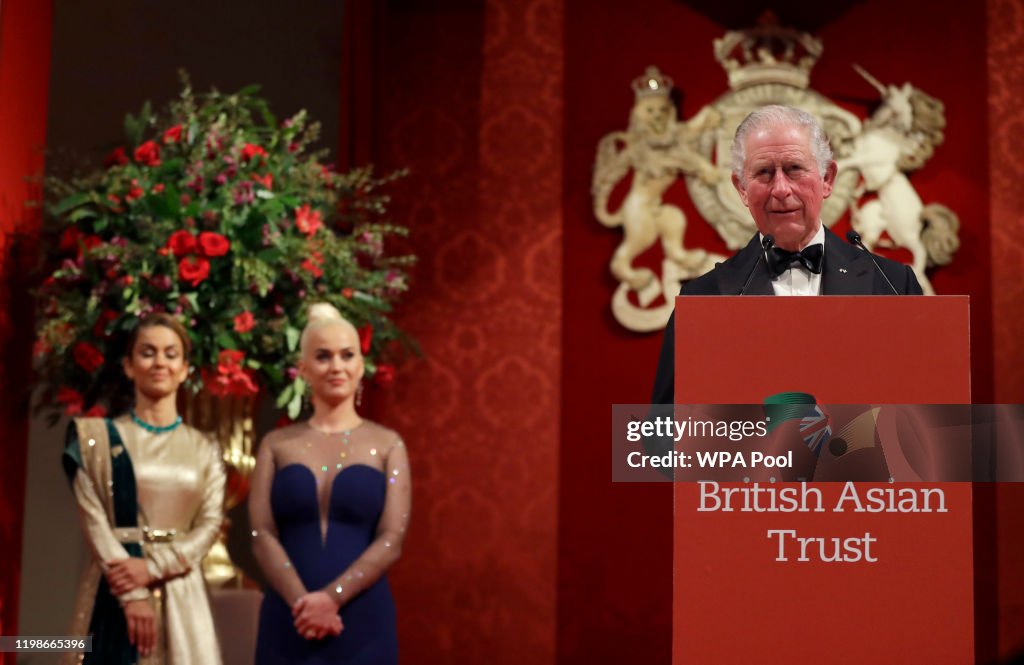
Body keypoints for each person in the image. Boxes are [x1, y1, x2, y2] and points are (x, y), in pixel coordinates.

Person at [650, 105, 923, 405]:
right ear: (741, 188)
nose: (780, 189)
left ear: (827, 179)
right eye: (764, 173)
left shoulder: (894, 285)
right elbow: (663, 436)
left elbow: (930, 416)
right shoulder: (702, 300)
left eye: (794, 169)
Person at [250, 303, 410, 664]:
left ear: (360, 366)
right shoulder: (277, 445)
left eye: (347, 355)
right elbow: (261, 533)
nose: (336, 366)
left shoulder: (387, 445)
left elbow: (391, 538)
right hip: (289, 616)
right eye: (323, 357)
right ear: (303, 369)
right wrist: (303, 604)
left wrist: (332, 599)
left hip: (362, 615)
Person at [62, 313, 226, 664]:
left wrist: (152, 568)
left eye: (171, 354)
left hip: (181, 592)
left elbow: (210, 525)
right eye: (148, 352)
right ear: (129, 365)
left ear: (184, 369)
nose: (159, 362)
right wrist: (133, 592)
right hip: (115, 586)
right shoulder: (97, 441)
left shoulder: (204, 448)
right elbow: (95, 521)